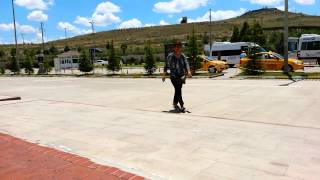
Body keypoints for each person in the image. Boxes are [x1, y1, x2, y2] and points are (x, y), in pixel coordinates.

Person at [162, 41, 192, 112]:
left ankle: (175, 103)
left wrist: (189, 71)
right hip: (173, 76)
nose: (178, 48)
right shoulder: (170, 56)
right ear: (174, 48)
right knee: (178, 89)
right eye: (177, 47)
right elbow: (166, 66)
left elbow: (186, 64)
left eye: (179, 47)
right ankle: (182, 105)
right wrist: (164, 75)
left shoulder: (182, 56)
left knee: (178, 89)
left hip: (181, 76)